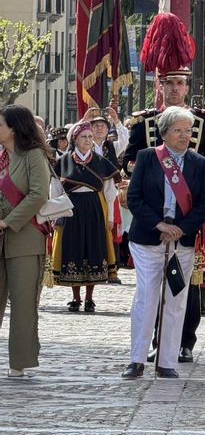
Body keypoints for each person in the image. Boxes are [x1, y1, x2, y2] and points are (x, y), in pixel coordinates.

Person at [124, 17, 205, 366]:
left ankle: (184, 341)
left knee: (186, 284)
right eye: (171, 83)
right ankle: (151, 343)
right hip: (153, 219)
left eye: (182, 83)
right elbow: (129, 163)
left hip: (190, 214)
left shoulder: (203, 122)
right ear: (160, 85)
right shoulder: (146, 123)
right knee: (150, 291)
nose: (177, 88)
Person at [121, 106, 205, 379]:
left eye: (188, 131)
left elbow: (204, 203)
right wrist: (159, 225)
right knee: (147, 298)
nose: (185, 136)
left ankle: (166, 361)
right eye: (178, 130)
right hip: (148, 239)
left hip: (181, 242)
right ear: (164, 132)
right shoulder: (147, 158)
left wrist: (180, 229)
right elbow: (134, 198)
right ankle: (137, 359)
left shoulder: (199, 163)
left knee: (175, 300)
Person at [0, 105, 51, 377]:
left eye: (0, 125)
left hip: (25, 238)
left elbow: (38, 194)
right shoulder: (0, 157)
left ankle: (19, 362)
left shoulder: (33, 156)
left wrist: (8, 222)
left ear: (14, 129)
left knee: (22, 303)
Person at [51, 121, 119, 311]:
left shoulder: (100, 162)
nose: (88, 140)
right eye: (84, 137)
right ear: (75, 139)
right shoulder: (63, 162)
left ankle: (90, 297)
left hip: (95, 209)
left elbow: (110, 192)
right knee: (73, 249)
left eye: (90, 137)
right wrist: (55, 216)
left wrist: (110, 217)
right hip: (71, 210)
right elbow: (55, 191)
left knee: (94, 250)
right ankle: (76, 297)